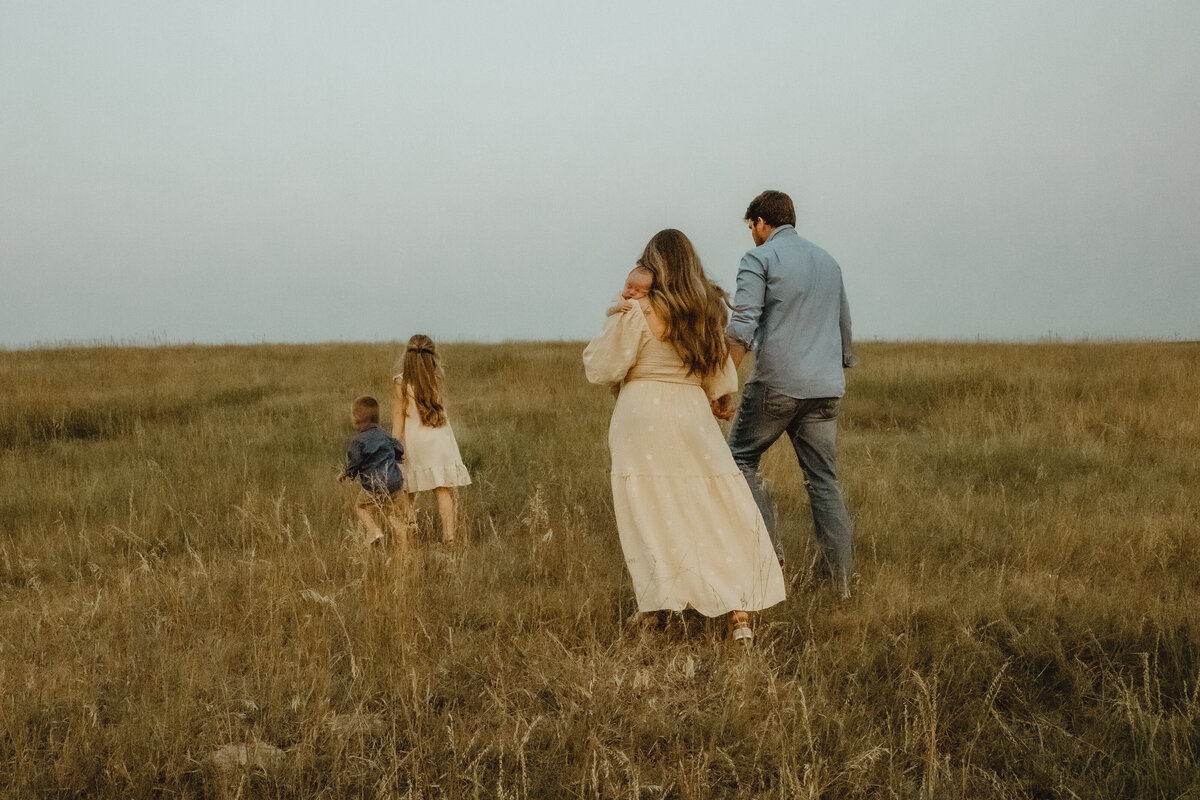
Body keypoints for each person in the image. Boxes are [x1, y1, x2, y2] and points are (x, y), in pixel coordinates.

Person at [584, 229, 786, 646]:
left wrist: (613, 314)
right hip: (690, 413)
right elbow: (717, 372)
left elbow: (602, 367)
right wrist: (719, 398)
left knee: (649, 511)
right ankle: (738, 613)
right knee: (717, 507)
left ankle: (658, 609)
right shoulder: (706, 309)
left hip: (641, 415)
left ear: (654, 266)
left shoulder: (638, 310)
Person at [725, 190, 857, 595]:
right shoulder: (828, 262)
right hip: (826, 387)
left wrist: (723, 383)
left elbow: (743, 323)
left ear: (762, 223)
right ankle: (843, 585)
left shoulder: (759, 259)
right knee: (823, 480)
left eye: (751, 227)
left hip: (778, 383)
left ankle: (772, 559)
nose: (751, 234)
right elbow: (843, 324)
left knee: (740, 458)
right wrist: (843, 363)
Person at [392, 334, 471, 545]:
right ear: (432, 356)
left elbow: (399, 417)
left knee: (407, 488)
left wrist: (393, 445)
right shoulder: (437, 379)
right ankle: (450, 538)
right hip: (439, 441)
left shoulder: (401, 382)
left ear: (407, 357)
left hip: (415, 442)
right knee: (442, 489)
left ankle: (410, 531)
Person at [342, 395, 414, 555]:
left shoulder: (358, 441)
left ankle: (374, 531)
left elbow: (355, 462)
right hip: (395, 484)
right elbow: (398, 447)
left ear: (357, 418)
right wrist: (397, 458)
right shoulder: (385, 435)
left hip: (373, 486)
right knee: (394, 517)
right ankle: (404, 555)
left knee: (361, 507)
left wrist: (348, 474)